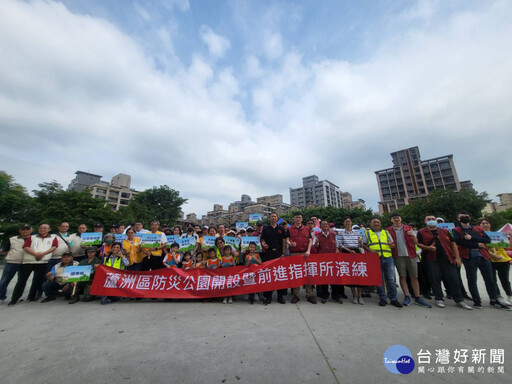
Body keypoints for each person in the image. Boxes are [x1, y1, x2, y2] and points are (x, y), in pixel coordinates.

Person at [453, 211, 510, 310]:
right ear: (458, 219)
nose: (464, 218)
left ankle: (494, 300)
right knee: (472, 280)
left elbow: (487, 240)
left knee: (490, 280)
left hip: (483, 256)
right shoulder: (456, 230)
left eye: (466, 216)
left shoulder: (477, 228)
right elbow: (460, 242)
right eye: (462, 217)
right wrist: (477, 244)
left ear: (470, 217)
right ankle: (477, 301)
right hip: (469, 257)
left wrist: (472, 238)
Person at [416, 214, 472, 310]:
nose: (431, 220)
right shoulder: (421, 232)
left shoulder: (445, 231)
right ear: (425, 222)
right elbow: (418, 244)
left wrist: (457, 258)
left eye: (433, 219)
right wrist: (428, 248)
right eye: (428, 219)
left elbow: (453, 244)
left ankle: (459, 300)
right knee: (435, 279)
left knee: (454, 280)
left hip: (448, 259)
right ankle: (439, 298)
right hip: (432, 259)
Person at [387, 213, 431, 308]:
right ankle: (406, 296)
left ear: (401, 218)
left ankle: (417, 296)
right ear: (391, 220)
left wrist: (413, 236)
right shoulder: (388, 231)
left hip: (411, 255)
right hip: (398, 256)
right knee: (403, 276)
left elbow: (416, 242)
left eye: (398, 217)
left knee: (414, 277)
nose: (396, 219)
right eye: (394, 218)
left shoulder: (408, 228)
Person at [9, 224, 58, 306]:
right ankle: (14, 299)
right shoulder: (32, 237)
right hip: (28, 261)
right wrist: (35, 254)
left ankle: (31, 296)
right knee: (21, 281)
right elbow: (26, 247)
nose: (42, 229)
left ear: (49, 229)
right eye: (41, 228)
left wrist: (43, 253)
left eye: (45, 228)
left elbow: (54, 247)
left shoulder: (53, 237)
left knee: (37, 280)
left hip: (43, 262)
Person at [363, 218, 402, 308]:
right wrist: (370, 250)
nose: (376, 224)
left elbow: (392, 244)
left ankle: (393, 298)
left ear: (380, 224)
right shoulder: (367, 233)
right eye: (374, 222)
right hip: (376, 258)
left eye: (378, 222)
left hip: (388, 257)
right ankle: (382, 298)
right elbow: (364, 244)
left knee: (391, 280)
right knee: (379, 279)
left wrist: (392, 245)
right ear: (371, 224)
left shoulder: (386, 232)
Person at [479, 219, 512, 305]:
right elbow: (483, 248)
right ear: (479, 226)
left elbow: (508, 246)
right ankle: (498, 296)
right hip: (490, 260)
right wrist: (494, 256)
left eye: (487, 223)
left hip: (503, 259)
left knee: (505, 279)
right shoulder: (479, 236)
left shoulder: (497, 235)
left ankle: (509, 295)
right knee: (493, 280)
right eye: (483, 223)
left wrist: (511, 236)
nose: (486, 225)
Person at [286, 212, 315, 304]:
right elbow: (286, 239)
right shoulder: (289, 229)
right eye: (296, 217)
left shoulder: (306, 229)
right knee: (296, 274)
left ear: (302, 219)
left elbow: (310, 240)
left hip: (305, 254)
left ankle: (309, 294)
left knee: (308, 274)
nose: (298, 219)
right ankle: (296, 295)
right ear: (293, 219)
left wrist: (308, 251)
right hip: (294, 254)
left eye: (299, 217)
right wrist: (290, 243)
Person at [0, 224, 32, 303]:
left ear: (31, 230)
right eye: (23, 229)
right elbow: (6, 251)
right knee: (4, 281)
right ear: (20, 231)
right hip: (12, 262)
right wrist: (12, 257)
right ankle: (1, 296)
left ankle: (18, 296)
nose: (25, 231)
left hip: (26, 263)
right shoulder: (12, 239)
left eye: (27, 229)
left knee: (21, 282)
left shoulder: (34, 239)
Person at [260, 213, 287, 304]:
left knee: (280, 274)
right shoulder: (266, 229)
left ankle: (280, 296)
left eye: (275, 216)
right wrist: (264, 244)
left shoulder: (281, 229)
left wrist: (283, 253)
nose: (273, 218)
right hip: (269, 253)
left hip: (279, 253)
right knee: (268, 274)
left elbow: (284, 242)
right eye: (272, 216)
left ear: (277, 218)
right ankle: (268, 296)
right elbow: (262, 240)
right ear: (269, 218)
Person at [337, 217, 363, 302]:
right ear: (343, 223)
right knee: (351, 274)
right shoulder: (341, 233)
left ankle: (360, 296)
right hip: (347, 253)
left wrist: (360, 244)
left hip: (356, 252)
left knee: (358, 274)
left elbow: (360, 244)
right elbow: (340, 244)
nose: (348, 223)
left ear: (351, 222)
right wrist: (349, 250)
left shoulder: (356, 232)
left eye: (349, 221)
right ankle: (354, 295)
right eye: (346, 221)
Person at [315, 220, 340, 304]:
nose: (325, 225)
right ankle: (325, 296)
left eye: (326, 224)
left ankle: (335, 296)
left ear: (328, 225)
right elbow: (315, 246)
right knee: (324, 278)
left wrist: (337, 249)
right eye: (323, 224)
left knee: (334, 278)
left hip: (333, 259)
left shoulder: (334, 235)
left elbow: (337, 245)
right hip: (323, 260)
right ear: (320, 226)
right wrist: (317, 243)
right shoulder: (318, 235)